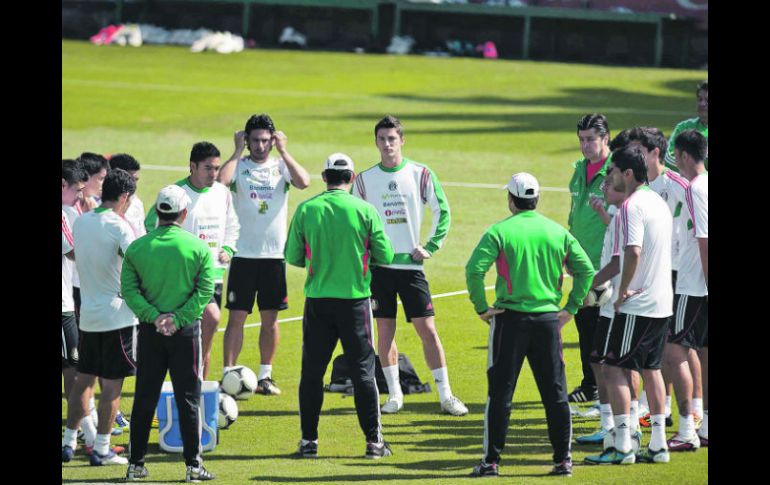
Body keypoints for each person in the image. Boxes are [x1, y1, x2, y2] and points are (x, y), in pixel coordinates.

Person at [465, 172, 593, 478]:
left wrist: (482, 308)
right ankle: (563, 460)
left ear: (511, 199)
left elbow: (474, 270)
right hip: (549, 322)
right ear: (537, 199)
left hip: (509, 321)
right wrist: (571, 307)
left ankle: (491, 462)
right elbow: (586, 270)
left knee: (500, 393)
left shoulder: (500, 231)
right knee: (555, 393)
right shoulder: (557, 231)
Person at [352, 115, 467, 416]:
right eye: (382, 139)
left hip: (412, 269)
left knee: (427, 329)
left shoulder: (421, 173)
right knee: (384, 332)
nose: (387, 144)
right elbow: (355, 222)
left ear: (402, 140)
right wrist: (365, 257)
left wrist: (429, 246)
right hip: (380, 270)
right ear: (375, 142)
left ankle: (446, 395)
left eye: (392, 138)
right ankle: (395, 395)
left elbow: (443, 211)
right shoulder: (364, 180)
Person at [285, 153, 395, 459]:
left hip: (318, 302)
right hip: (355, 303)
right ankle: (374, 443)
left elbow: (293, 256)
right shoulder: (365, 210)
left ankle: (309, 442)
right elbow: (384, 256)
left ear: (324, 176)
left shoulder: (307, 209)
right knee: (363, 373)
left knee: (312, 373)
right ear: (352, 176)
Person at [584, 145, 673, 465]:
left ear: (628, 174)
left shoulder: (632, 206)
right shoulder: (657, 203)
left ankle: (623, 446)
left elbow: (629, 254)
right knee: (651, 369)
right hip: (662, 303)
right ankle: (659, 445)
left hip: (638, 304)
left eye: (613, 172)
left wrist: (619, 292)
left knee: (614, 369)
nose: (609, 177)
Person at [121, 185, 215, 482]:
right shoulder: (198, 248)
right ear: (183, 213)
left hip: (150, 333)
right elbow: (205, 291)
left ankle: (135, 465)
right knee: (188, 397)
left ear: (157, 212)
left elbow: (129, 290)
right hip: (186, 333)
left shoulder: (138, 247)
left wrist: (155, 317)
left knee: (144, 397)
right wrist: (179, 318)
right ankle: (193, 466)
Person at [217, 114, 311, 395]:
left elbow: (304, 182)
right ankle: (228, 374)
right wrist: (235, 150)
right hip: (243, 255)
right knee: (236, 318)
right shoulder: (240, 165)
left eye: (265, 140)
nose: (260, 145)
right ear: (247, 141)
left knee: (270, 319)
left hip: (273, 257)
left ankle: (265, 377)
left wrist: (284, 150)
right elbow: (220, 182)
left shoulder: (280, 166)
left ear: (273, 140)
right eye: (254, 140)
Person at [626, 127, 703, 429]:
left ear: (655, 153)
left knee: (681, 345)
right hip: (654, 273)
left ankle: (694, 408)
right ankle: (661, 406)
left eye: (639, 151)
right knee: (658, 342)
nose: (634, 157)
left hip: (679, 273)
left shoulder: (679, 186)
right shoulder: (641, 186)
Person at [62, 169, 138, 466]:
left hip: (88, 316)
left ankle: (68, 441)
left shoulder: (81, 222)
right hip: (117, 317)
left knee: (83, 380)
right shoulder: (120, 227)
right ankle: (102, 449)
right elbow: (136, 264)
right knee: (112, 386)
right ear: (123, 197)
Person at [145, 142, 239, 379]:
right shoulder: (175, 194)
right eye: (208, 168)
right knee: (202, 325)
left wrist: (228, 247)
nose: (213, 174)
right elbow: (149, 226)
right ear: (192, 166)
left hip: (214, 275)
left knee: (205, 334)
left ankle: (199, 386)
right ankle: (185, 382)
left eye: (216, 168)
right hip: (184, 277)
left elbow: (232, 225)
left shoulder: (222, 193)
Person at [666, 129, 708, 450]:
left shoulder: (696, 189)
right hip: (699, 285)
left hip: (694, 285)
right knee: (703, 352)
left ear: (683, 155)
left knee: (673, 349)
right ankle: (705, 426)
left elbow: (704, 240)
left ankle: (687, 431)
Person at [567, 113, 613, 405]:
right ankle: (591, 384)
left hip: (607, 265)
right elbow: (574, 216)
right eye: (582, 140)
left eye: (591, 140)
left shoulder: (616, 172)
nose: (585, 145)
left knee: (602, 330)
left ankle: (606, 393)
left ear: (605, 139)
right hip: (582, 265)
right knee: (584, 325)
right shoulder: (578, 169)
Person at [62, 160, 88, 405]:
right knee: (73, 365)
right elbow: (74, 253)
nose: (81, 196)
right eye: (78, 190)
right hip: (62, 307)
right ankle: (77, 427)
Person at [664, 81, 708, 171]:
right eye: (700, 99)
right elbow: (668, 157)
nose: (702, 104)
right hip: (685, 183)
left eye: (707, 100)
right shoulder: (684, 127)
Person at [109, 154, 147, 239]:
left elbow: (141, 235)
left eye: (136, 180)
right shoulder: (96, 204)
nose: (134, 185)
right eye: (130, 179)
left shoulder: (137, 203)